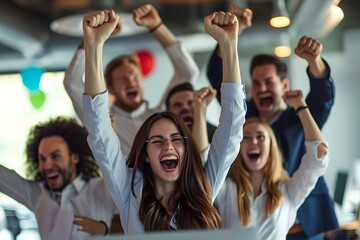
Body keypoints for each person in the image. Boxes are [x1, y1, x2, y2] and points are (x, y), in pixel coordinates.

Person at [81, 8, 246, 234]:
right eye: (157, 141)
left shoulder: (203, 186)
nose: (168, 145)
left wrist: (229, 45)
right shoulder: (129, 192)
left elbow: (233, 127)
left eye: (176, 139)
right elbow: (99, 130)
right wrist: (94, 46)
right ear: (146, 155)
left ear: (187, 150)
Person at [207, 8, 338, 238]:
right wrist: (228, 37)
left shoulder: (299, 116)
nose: (262, 88)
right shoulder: (244, 117)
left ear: (284, 86)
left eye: (269, 82)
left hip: (303, 225)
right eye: (256, 83)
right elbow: (221, 79)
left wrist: (315, 61)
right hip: (252, 214)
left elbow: (322, 96)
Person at [63, 4, 200, 156]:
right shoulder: (101, 120)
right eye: (123, 79)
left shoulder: (163, 114)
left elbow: (188, 73)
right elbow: (72, 82)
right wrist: (90, 40)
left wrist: (156, 26)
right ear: (111, 87)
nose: (131, 82)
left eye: (135, 76)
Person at [216, 90, 329, 240]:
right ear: (238, 147)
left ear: (271, 147)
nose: (253, 142)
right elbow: (203, 163)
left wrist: (300, 107)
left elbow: (319, 155)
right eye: (246, 137)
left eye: (261, 137)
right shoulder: (226, 189)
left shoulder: (289, 190)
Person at [0, 117, 118, 240]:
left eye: (55, 156)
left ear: (75, 158)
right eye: (42, 159)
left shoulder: (101, 190)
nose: (47, 165)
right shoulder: (38, 195)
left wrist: (108, 138)